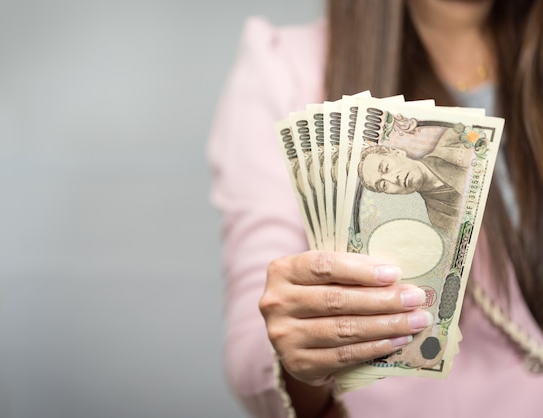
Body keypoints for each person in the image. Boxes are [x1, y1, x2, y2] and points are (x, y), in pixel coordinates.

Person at [207, 1, 543, 417]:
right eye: (381, 183)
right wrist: (299, 348)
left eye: (384, 170)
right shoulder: (284, 68)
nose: (391, 182)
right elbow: (252, 346)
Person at [357, 124, 471, 232]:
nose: (393, 179)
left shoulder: (454, 139)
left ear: (398, 153)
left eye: (386, 168)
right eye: (383, 185)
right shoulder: (440, 220)